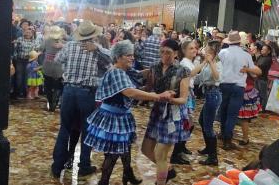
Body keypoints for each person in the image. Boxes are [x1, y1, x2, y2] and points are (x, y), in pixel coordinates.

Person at [85, 40, 173, 185]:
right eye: (128, 55)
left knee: (124, 147)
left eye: (132, 55)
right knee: (113, 153)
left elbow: (140, 74)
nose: (132, 58)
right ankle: (104, 181)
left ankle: (128, 174)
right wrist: (158, 96)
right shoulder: (117, 72)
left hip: (118, 115)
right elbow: (130, 92)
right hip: (113, 117)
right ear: (118, 57)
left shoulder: (124, 71)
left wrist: (159, 67)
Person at [51, 20, 111, 178]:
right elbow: (110, 60)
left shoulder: (70, 46)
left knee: (65, 128)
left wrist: (69, 68)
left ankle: (57, 166)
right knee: (87, 130)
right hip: (87, 93)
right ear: (93, 35)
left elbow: (57, 60)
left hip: (69, 91)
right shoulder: (96, 50)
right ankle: (84, 165)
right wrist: (97, 48)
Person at [141, 39, 191, 185]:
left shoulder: (182, 71)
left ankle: (161, 181)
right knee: (146, 149)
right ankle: (168, 171)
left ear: (176, 53)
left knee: (160, 154)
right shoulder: (155, 67)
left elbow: (183, 99)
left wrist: (169, 99)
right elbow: (148, 89)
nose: (164, 55)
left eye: (168, 52)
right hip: (157, 112)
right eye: (162, 51)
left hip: (173, 115)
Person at [218, 31, 261, 150]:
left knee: (223, 111)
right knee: (232, 114)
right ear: (239, 42)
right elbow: (253, 70)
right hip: (238, 86)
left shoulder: (222, 53)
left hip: (224, 84)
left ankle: (222, 133)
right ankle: (227, 140)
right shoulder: (246, 55)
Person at [170, 40, 206, 165]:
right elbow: (191, 73)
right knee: (186, 124)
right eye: (191, 48)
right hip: (185, 94)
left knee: (188, 124)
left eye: (195, 48)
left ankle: (181, 147)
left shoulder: (189, 62)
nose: (194, 50)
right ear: (184, 51)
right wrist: (205, 62)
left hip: (189, 94)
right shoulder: (185, 63)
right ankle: (176, 152)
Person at [197, 40, 222, 165]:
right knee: (202, 121)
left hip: (213, 94)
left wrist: (210, 61)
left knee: (208, 126)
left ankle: (213, 157)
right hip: (208, 93)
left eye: (207, 48)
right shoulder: (207, 62)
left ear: (213, 51)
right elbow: (201, 76)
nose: (204, 50)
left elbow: (217, 77)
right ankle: (208, 148)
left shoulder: (218, 63)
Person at [41, 25, 65, 111]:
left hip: (47, 65)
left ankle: (50, 102)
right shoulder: (62, 42)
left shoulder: (46, 40)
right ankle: (56, 100)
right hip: (59, 67)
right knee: (58, 85)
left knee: (47, 85)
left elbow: (41, 49)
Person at [255, 44, 273, 111]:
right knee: (257, 93)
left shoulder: (268, 59)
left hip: (262, 78)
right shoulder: (260, 56)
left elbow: (261, 66)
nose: (262, 50)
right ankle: (257, 106)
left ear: (268, 51)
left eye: (264, 49)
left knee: (263, 94)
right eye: (262, 49)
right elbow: (256, 64)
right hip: (257, 77)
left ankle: (263, 108)